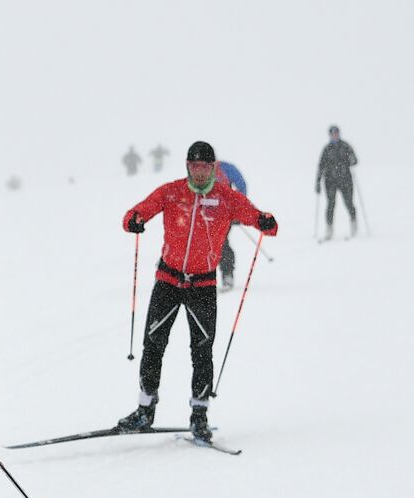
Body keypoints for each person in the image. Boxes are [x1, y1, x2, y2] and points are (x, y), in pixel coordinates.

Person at [117, 141, 277, 442]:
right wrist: (134, 220)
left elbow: (256, 216)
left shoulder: (226, 197)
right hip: (168, 279)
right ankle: (144, 411)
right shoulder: (172, 191)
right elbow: (138, 211)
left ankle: (199, 415)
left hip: (202, 284)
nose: (199, 172)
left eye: (204, 167)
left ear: (212, 168)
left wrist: (265, 222)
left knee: (202, 352)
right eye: (194, 166)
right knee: (153, 345)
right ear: (187, 167)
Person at [316, 125, 358, 241]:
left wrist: (351, 160)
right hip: (330, 181)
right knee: (330, 205)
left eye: (336, 133)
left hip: (345, 180)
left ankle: (354, 223)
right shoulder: (327, 149)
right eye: (332, 133)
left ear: (339, 134)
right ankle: (329, 229)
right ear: (330, 135)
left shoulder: (345, 146)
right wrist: (318, 182)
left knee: (349, 202)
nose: (334, 135)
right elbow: (321, 166)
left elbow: (355, 159)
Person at [215, 160, 248, 291]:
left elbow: (241, 185)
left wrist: (237, 208)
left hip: (224, 213)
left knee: (221, 242)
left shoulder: (225, 168)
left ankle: (227, 274)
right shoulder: (197, 170)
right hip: (203, 215)